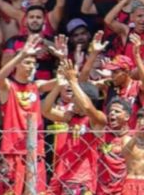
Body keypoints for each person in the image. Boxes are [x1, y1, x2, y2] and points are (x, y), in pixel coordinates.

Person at [0, 35, 56, 195]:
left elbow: (60, 81)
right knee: (11, 192)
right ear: (17, 64)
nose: (31, 67)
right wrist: (21, 54)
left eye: (34, 64)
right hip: (13, 151)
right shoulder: (8, 87)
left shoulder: (37, 86)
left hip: (36, 151)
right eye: (27, 62)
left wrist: (63, 58)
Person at [41, 59, 105, 194]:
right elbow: (45, 110)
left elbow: (87, 107)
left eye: (75, 96)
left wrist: (73, 81)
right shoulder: (70, 116)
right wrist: (58, 85)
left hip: (83, 179)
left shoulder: (97, 119)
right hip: (62, 175)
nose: (71, 99)